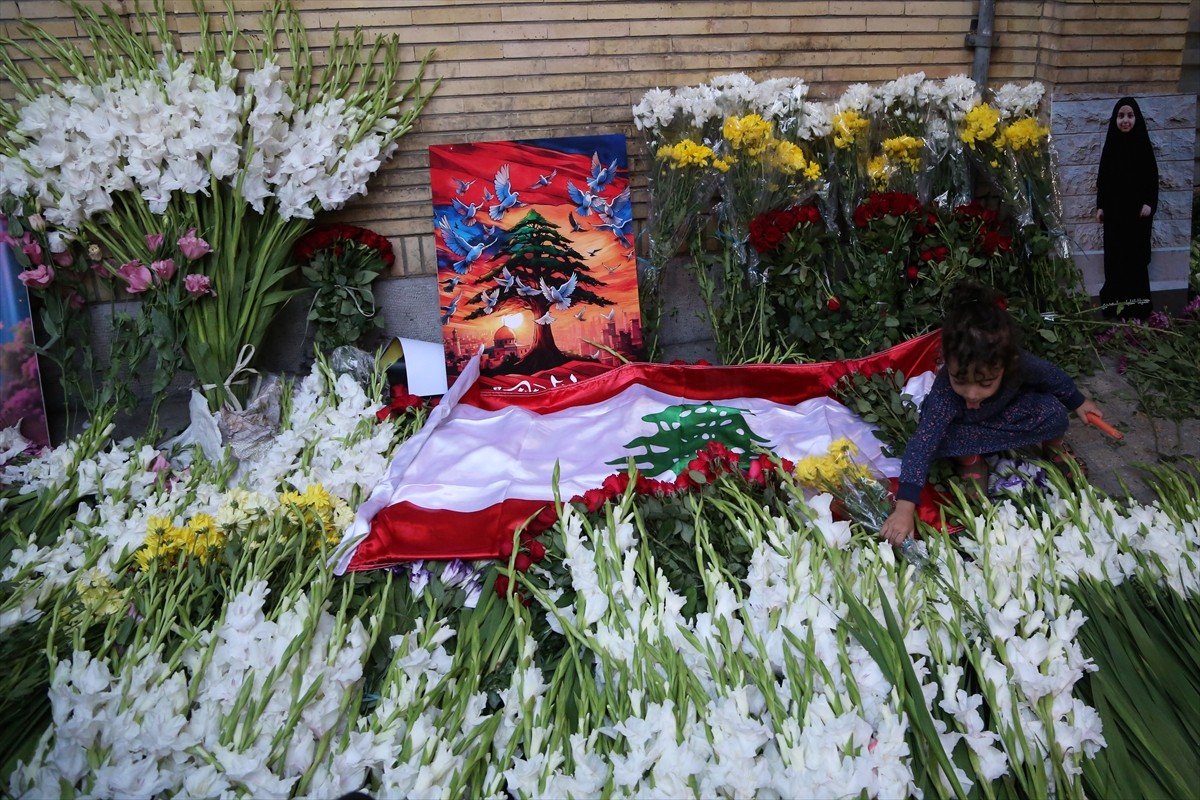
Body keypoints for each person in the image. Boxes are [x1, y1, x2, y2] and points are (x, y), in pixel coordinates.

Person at [879, 282, 1104, 546]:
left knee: (1053, 409)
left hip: (1006, 415)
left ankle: (1053, 448)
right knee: (938, 436)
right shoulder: (944, 394)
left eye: (985, 383)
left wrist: (1079, 402)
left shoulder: (1019, 364)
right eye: (960, 380)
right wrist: (904, 509)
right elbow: (921, 446)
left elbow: (1051, 376)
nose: (972, 393)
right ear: (946, 361)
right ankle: (971, 460)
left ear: (1007, 364)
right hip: (967, 429)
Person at [1095, 96, 1158, 320]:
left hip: (1137, 216)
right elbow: (1103, 180)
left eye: (1130, 116)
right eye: (1121, 116)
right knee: (1115, 259)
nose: (1125, 120)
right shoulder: (1111, 146)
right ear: (1115, 119)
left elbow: (1152, 178)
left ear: (1136, 118)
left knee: (1135, 260)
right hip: (1114, 215)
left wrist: (1149, 203)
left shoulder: (1142, 145)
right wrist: (1100, 206)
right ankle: (1115, 305)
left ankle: (1137, 308)